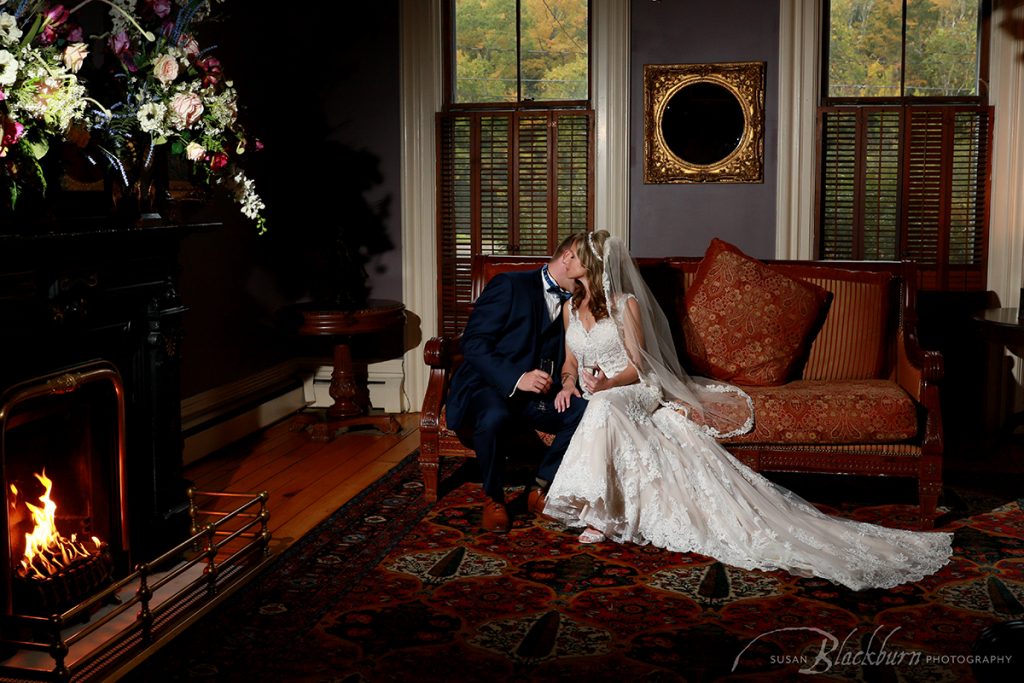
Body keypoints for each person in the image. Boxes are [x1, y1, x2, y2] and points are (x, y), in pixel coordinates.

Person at [544, 230, 953, 591]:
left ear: (593, 264)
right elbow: (570, 362)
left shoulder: (625, 305)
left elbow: (640, 365)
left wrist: (608, 384)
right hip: (597, 391)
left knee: (603, 406)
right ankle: (597, 503)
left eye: (575, 255)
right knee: (599, 407)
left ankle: (597, 514)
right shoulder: (570, 308)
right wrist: (567, 383)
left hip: (632, 388)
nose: (567, 259)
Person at [446, 233, 590, 533]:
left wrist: (568, 382)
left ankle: (539, 487)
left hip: (540, 393)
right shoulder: (510, 285)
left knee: (587, 412)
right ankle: (494, 498)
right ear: (568, 258)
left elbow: (574, 352)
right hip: (489, 386)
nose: (587, 281)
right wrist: (517, 378)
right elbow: (474, 343)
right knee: (494, 416)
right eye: (585, 272)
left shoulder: (577, 302)